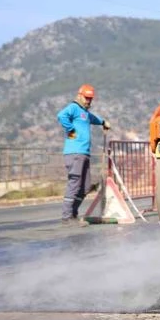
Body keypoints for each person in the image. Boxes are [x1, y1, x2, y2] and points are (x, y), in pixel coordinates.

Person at [56, 84, 111, 226]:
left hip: (84, 153)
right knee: (74, 183)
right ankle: (66, 217)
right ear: (80, 95)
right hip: (75, 152)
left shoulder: (85, 112)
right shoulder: (74, 107)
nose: (88, 101)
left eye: (90, 99)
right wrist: (70, 129)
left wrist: (103, 122)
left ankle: (73, 214)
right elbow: (61, 116)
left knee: (85, 187)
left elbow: (93, 118)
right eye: (86, 98)